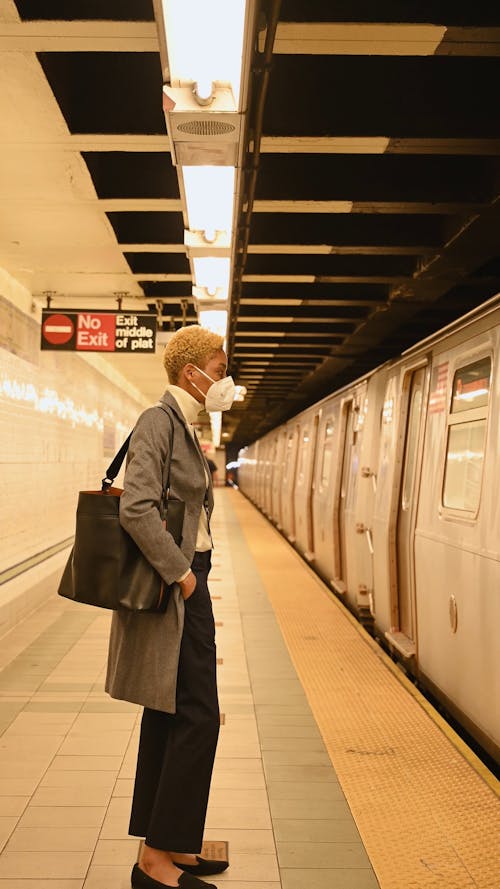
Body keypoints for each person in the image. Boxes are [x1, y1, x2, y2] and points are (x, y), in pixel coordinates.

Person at [105, 325, 236, 889]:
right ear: (192, 373)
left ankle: (169, 843)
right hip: (177, 585)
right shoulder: (158, 422)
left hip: (187, 579)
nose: (226, 380)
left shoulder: (183, 423)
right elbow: (135, 507)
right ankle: (155, 860)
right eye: (220, 367)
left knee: (171, 713)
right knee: (197, 715)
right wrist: (182, 575)